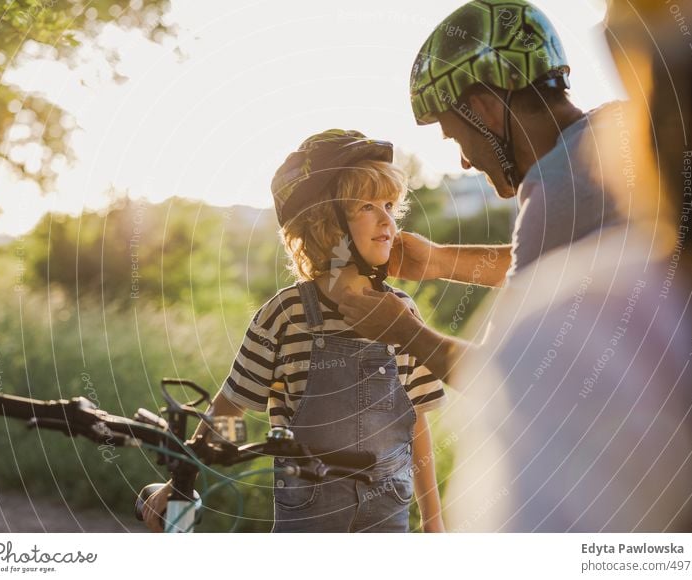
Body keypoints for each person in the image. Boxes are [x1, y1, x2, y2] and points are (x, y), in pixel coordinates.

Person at [143, 129, 447, 533]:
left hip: (387, 511)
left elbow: (415, 422)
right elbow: (231, 403)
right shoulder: (286, 315)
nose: (387, 220)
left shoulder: (401, 313)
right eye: (368, 206)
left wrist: (434, 522)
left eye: (390, 205)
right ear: (326, 222)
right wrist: (180, 480)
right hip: (309, 514)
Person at [339, 0, 624, 383]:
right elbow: (561, 265)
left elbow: (505, 386)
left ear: (485, 110)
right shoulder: (621, 132)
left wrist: (405, 333)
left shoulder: (558, 189)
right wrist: (438, 262)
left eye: (456, 136)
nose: (465, 163)